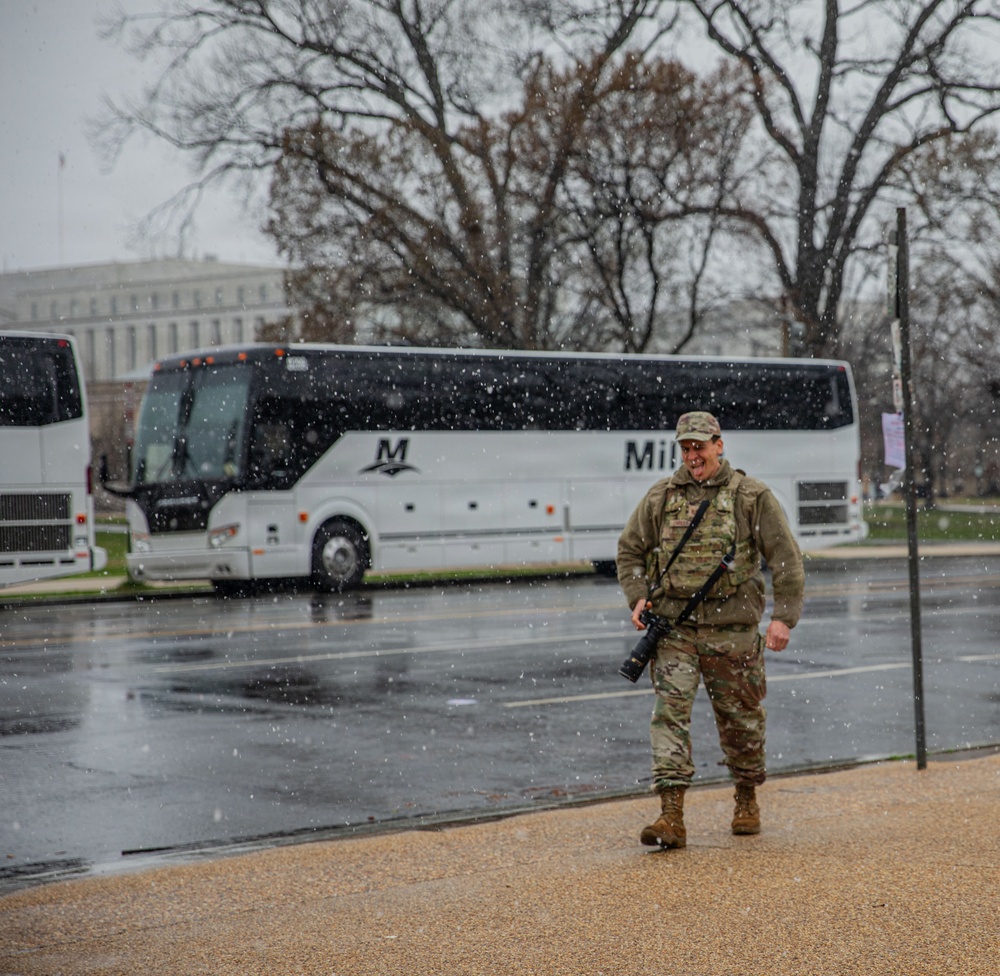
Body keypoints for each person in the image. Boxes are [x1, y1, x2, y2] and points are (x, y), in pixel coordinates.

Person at [616, 411, 804, 848]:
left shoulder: (751, 497)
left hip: (733, 630)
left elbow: (786, 559)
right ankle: (671, 815)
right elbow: (630, 551)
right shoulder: (662, 496)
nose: (692, 455)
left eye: (699, 446)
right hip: (675, 631)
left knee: (741, 722)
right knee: (669, 716)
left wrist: (783, 617)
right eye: (685, 447)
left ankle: (745, 794)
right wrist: (638, 595)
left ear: (719, 444)